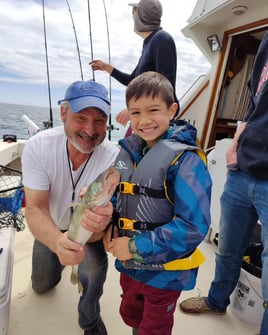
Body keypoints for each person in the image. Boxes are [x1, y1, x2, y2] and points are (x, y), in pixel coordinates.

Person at [103, 71, 212, 335]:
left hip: (165, 273)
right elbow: (119, 195)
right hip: (129, 267)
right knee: (131, 315)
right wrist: (106, 218)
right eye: (136, 112)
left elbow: (193, 226)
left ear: (172, 110)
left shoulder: (187, 161)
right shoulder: (126, 152)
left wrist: (133, 246)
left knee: (154, 329)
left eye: (153, 110)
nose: (144, 120)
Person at [179, 32, 268, 335]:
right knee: (228, 249)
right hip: (242, 169)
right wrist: (235, 142)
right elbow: (255, 100)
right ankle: (217, 301)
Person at [21, 80, 120, 335]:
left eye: (99, 120)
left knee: (94, 269)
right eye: (81, 117)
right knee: (41, 285)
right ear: (64, 113)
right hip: (51, 224)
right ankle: (58, 260)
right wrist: (57, 243)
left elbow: (100, 234)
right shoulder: (39, 146)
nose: (90, 129)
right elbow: (35, 208)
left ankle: (90, 321)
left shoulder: (113, 158)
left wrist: (100, 225)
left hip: (86, 233)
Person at [90, 0, 179, 129]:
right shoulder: (150, 43)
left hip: (155, 122)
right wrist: (107, 68)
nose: (133, 17)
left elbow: (166, 86)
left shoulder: (161, 39)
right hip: (146, 117)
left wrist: (134, 110)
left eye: (134, 13)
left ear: (140, 17)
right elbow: (133, 80)